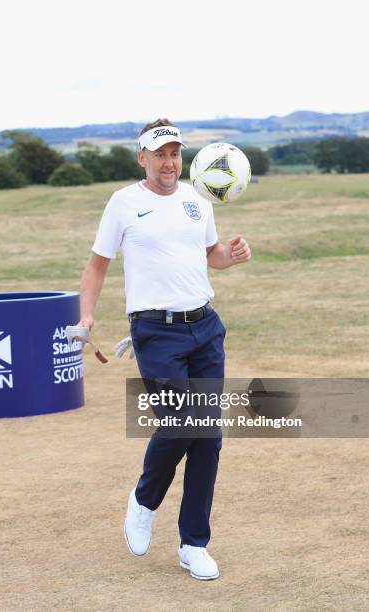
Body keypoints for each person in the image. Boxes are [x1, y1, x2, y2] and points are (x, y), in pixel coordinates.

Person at [78, 118, 251, 580]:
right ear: (143, 158)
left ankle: (193, 544)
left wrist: (229, 257)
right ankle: (144, 500)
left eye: (175, 153)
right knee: (178, 425)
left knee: (208, 438)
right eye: (159, 154)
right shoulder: (123, 203)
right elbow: (97, 266)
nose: (169, 161)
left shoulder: (197, 199)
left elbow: (209, 253)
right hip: (155, 332)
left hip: (205, 327)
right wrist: (87, 316)